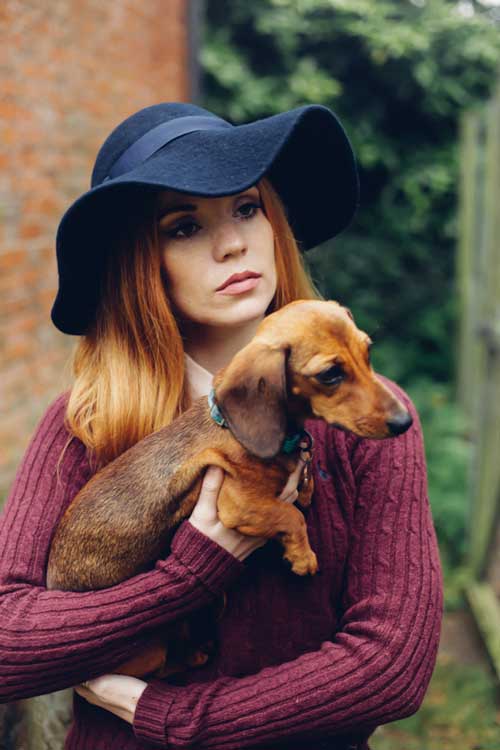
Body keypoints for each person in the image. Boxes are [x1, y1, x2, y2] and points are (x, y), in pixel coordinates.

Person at [0, 102, 443, 750]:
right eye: (183, 226)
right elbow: (9, 640)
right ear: (140, 262)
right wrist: (189, 576)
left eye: (245, 207)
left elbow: (390, 668)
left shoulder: (372, 422)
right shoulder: (84, 424)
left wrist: (179, 719)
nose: (231, 242)